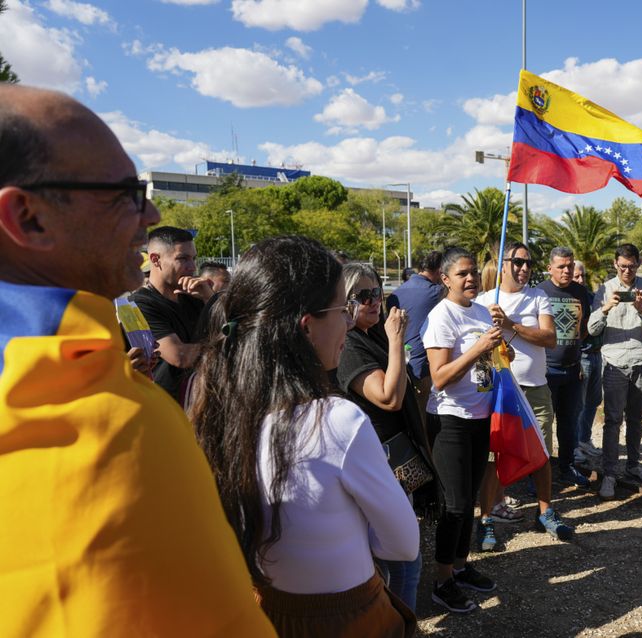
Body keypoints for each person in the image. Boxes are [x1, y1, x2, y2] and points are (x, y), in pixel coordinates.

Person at [0, 84, 273, 636]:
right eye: (124, 192)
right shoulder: (87, 421)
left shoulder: (85, 370)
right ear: (26, 217)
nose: (149, 213)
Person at [189, 236, 417, 636]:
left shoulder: (210, 402)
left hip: (257, 612)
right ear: (307, 326)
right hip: (345, 618)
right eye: (341, 309)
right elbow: (403, 545)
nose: (348, 321)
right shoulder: (334, 420)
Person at [335, 263, 438, 612]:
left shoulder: (371, 333)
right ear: (343, 302)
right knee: (403, 564)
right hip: (378, 462)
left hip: (392, 460)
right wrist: (397, 340)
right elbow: (388, 397)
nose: (373, 301)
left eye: (376, 292)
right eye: (362, 296)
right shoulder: (349, 345)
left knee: (403, 562)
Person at [476, 242, 575, 549]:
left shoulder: (538, 297)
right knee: (493, 456)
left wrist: (510, 325)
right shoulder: (483, 300)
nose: (523, 268)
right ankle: (487, 520)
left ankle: (545, 512)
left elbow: (549, 338)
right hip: (499, 390)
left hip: (534, 387)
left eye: (528, 263)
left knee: (542, 453)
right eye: (517, 262)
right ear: (502, 263)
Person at [421, 247, 502, 614]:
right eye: (462, 274)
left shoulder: (483, 311)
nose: (470, 279)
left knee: (469, 498)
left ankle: (460, 565)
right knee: (453, 506)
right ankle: (441, 582)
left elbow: (494, 361)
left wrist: (501, 349)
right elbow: (439, 378)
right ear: (446, 279)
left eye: (473, 272)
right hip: (451, 419)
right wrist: (478, 349)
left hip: (481, 416)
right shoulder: (441, 317)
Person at [588, 243, 642, 499]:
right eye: (622, 266)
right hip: (615, 363)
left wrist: (641, 310)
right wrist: (606, 307)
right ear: (615, 264)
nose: (627, 271)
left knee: (636, 419)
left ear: (638, 264)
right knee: (612, 421)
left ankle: (633, 466)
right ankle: (609, 473)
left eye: (631, 266)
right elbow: (592, 329)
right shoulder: (605, 289)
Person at [130, 225, 213, 403]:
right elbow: (180, 356)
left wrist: (210, 299)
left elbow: (227, 327)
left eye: (193, 259)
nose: (192, 267)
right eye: (183, 259)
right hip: (165, 408)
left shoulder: (196, 296)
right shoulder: (138, 304)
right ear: (156, 259)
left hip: (201, 403)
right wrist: (229, 346)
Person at [537, 246, 593, 487]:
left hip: (572, 369)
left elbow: (584, 327)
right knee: (543, 425)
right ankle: (539, 474)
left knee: (569, 422)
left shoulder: (580, 291)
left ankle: (567, 466)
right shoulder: (539, 292)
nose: (567, 270)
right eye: (561, 266)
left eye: (570, 266)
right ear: (550, 268)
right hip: (545, 370)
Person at [386, 250, 444, 417]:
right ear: (440, 271)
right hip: (423, 368)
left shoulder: (396, 293)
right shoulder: (436, 293)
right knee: (425, 418)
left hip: (399, 365)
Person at [574, 262, 604, 466]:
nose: (580, 280)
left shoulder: (591, 297)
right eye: (577, 276)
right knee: (579, 403)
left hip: (596, 354)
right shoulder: (571, 298)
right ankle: (575, 444)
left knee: (593, 401)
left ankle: (584, 439)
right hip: (582, 355)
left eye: (582, 276)